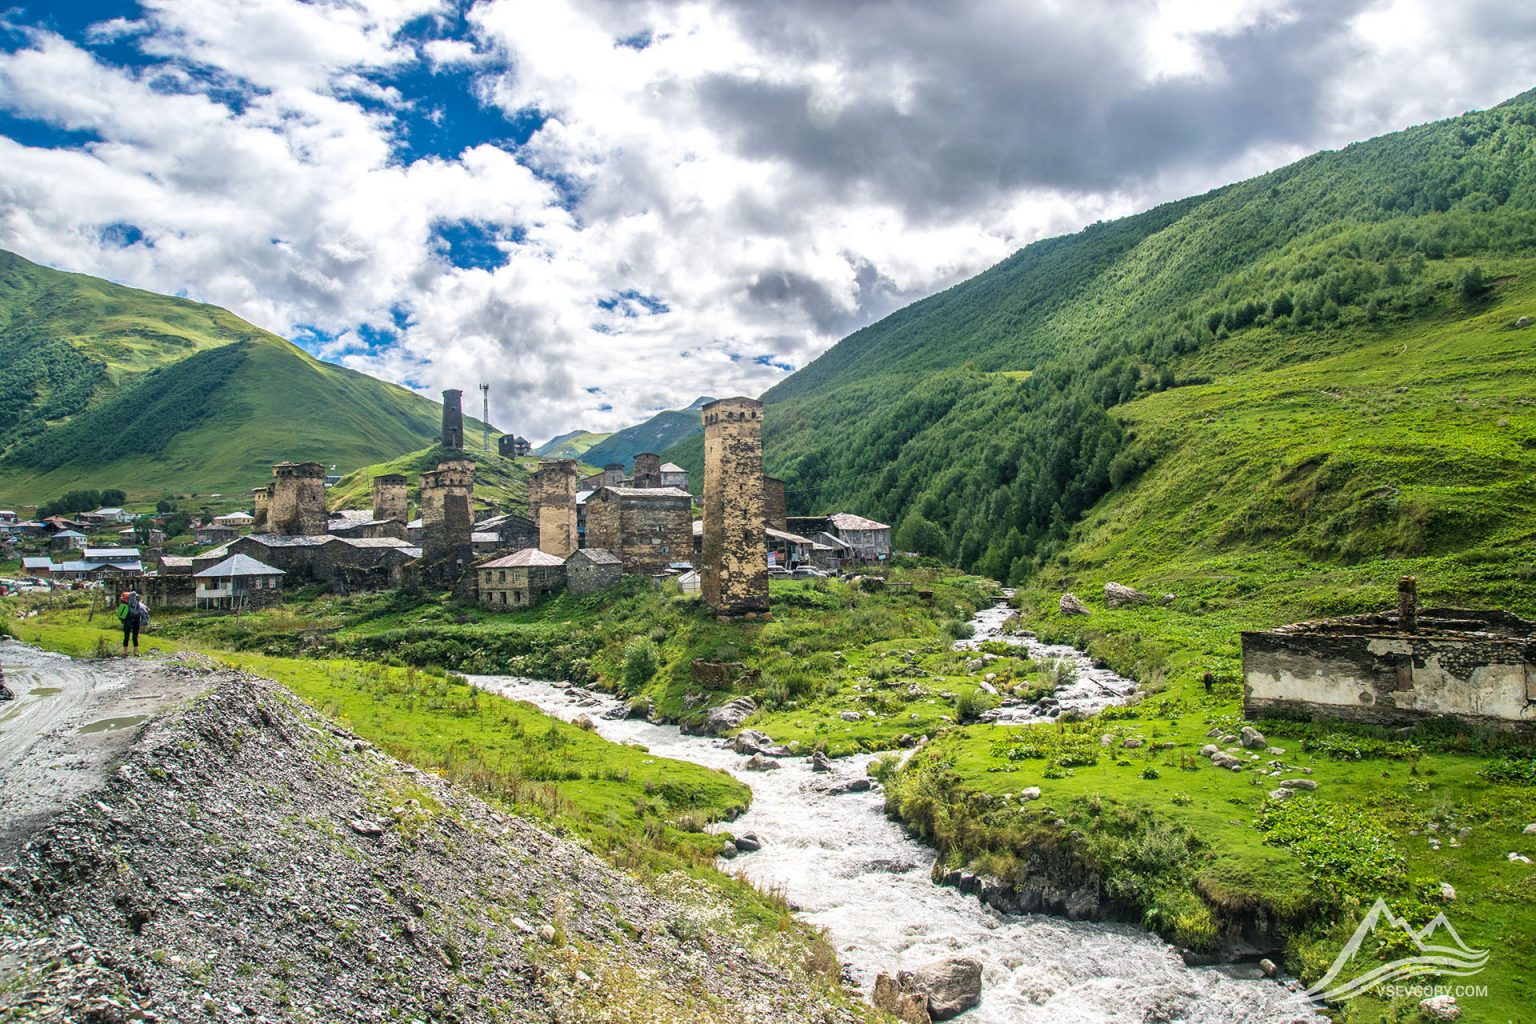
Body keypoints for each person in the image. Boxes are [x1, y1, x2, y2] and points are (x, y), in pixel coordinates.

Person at [116, 590, 147, 656]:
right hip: (136, 621)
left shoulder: (124, 606)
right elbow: (143, 612)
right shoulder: (138, 605)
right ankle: (135, 653)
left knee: (126, 637)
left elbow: (121, 615)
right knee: (135, 637)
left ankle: (125, 653)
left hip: (127, 622)